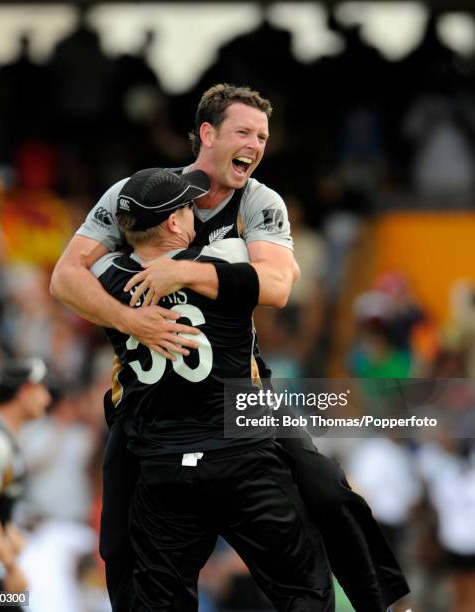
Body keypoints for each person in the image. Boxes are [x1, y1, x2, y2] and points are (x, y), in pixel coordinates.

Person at [50, 83, 409, 611]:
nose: (256, 144)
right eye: (244, 131)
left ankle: (384, 603)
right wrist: (135, 322)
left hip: (238, 395)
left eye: (263, 135)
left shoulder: (259, 200)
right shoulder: (142, 195)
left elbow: (280, 287)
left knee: (328, 487)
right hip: (152, 406)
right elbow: (63, 278)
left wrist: (183, 271)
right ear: (207, 134)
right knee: (118, 540)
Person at [91, 165, 334, 611]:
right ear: (172, 222)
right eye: (187, 208)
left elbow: (73, 273)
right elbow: (284, 276)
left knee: (160, 599)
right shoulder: (223, 255)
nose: (195, 214)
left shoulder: (105, 274)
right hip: (234, 453)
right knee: (305, 587)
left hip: (162, 463)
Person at [0, 358, 51, 610]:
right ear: (25, 391)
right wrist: (11, 567)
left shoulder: (2, 439)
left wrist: (7, 533)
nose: (46, 399)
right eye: (42, 389)